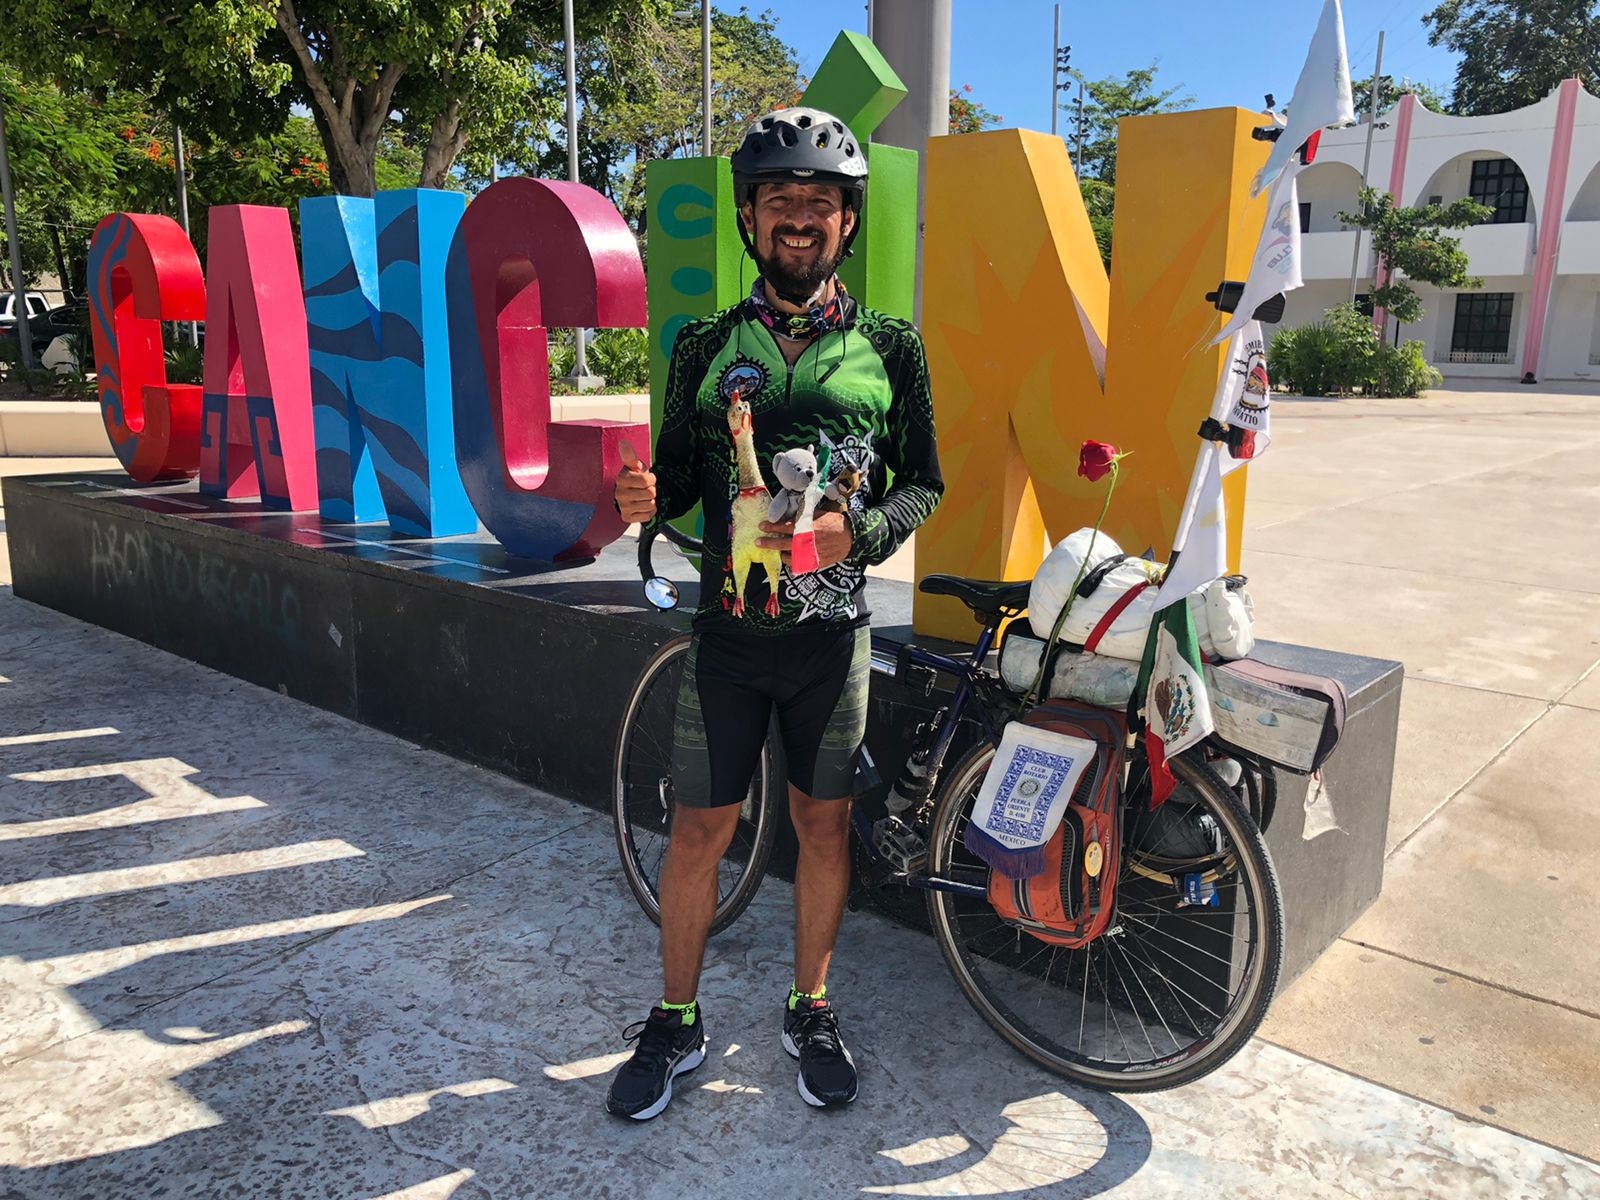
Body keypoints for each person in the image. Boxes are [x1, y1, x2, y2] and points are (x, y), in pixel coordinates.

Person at [606, 107, 943, 1120]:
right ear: (750, 219)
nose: (800, 219)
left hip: (832, 643)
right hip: (728, 640)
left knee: (821, 826)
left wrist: (869, 536)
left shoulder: (891, 346)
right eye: (779, 201)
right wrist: (643, 497)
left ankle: (811, 1007)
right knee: (700, 830)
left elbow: (923, 483)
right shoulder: (704, 342)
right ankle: (676, 1019)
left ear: (847, 222)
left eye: (820, 204)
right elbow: (671, 478)